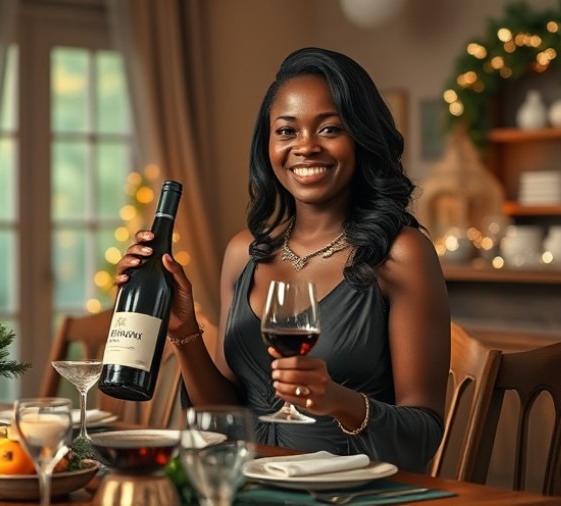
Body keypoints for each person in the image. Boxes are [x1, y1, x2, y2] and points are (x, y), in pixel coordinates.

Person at [116, 47, 450, 473]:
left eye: (330, 129)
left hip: (347, 495)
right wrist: (184, 330)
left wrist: (339, 401)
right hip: (244, 486)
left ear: (361, 138)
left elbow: (422, 436)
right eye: (287, 131)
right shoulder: (244, 251)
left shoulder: (401, 253)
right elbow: (223, 415)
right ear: (268, 145)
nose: (306, 147)